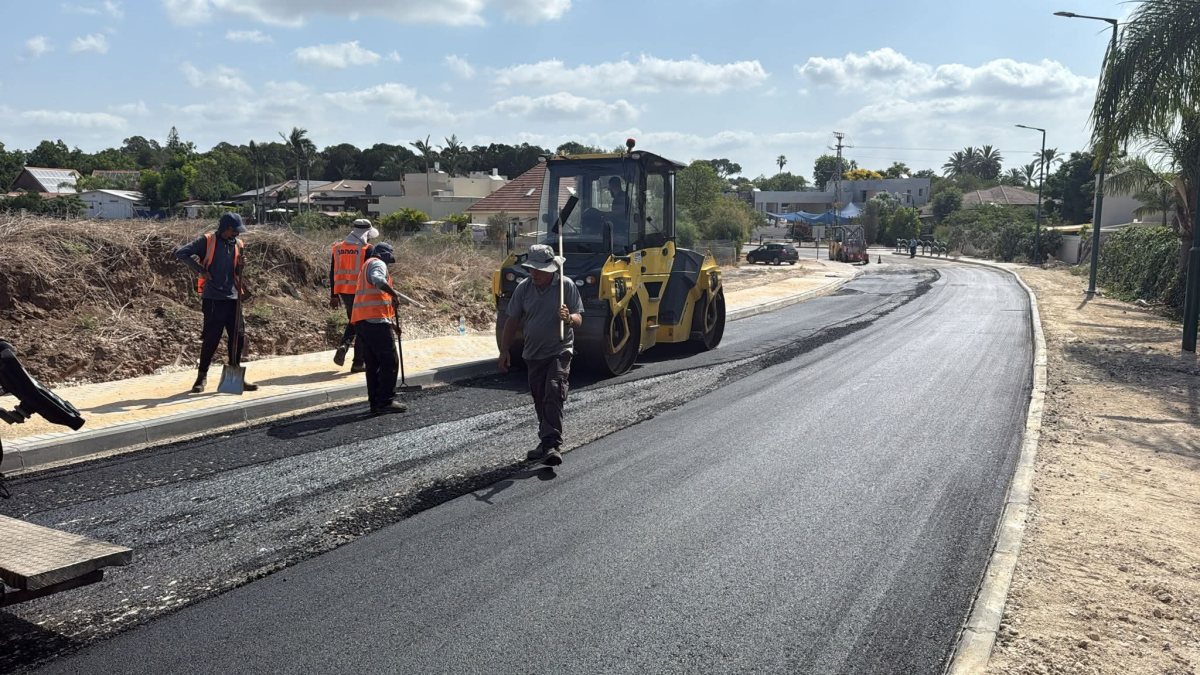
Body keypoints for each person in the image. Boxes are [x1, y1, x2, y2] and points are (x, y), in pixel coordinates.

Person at [498, 244, 584, 466]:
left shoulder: (566, 286)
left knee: (553, 390)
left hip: (560, 349)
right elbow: (512, 320)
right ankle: (545, 440)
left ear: (551, 269)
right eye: (531, 269)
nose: (533, 273)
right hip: (532, 353)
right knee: (540, 398)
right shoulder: (524, 288)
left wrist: (568, 319)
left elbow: (578, 319)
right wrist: (504, 350)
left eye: (538, 270)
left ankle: (552, 444)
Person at [175, 213, 257, 393]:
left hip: (233, 297)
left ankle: (235, 377)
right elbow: (181, 253)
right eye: (234, 231)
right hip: (213, 298)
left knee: (238, 337)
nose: (237, 234)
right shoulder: (208, 241)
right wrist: (200, 270)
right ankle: (201, 377)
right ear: (226, 228)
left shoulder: (238, 244)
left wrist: (241, 266)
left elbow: (235, 271)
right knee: (212, 338)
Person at [350, 242, 407, 415]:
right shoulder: (377, 263)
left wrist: (392, 324)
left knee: (373, 363)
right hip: (375, 324)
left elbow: (374, 303)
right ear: (383, 254)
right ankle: (386, 401)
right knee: (389, 361)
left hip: (364, 322)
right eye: (389, 258)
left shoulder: (365, 266)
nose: (389, 263)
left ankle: (375, 402)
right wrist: (394, 293)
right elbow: (378, 280)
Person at [329, 218, 378, 372]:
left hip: (343, 291)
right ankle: (358, 363)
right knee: (361, 325)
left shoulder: (337, 248)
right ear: (366, 233)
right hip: (361, 292)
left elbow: (332, 272)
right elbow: (370, 272)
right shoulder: (367, 249)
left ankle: (345, 345)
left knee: (354, 322)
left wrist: (334, 295)